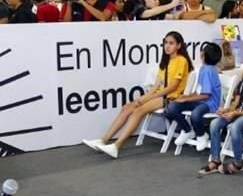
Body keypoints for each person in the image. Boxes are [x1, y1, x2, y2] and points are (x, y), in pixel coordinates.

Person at [82, 31, 193, 159]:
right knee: (127, 107)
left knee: (138, 111)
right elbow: (157, 85)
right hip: (158, 96)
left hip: (170, 98)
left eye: (171, 43)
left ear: (179, 46)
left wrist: (149, 98)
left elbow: (172, 87)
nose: (167, 46)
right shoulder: (166, 61)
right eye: (165, 43)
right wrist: (144, 97)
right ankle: (103, 140)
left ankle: (116, 146)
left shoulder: (181, 60)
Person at [199, 54, 243, 175]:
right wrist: (226, 110)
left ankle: (238, 163)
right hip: (238, 112)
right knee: (215, 124)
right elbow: (235, 103)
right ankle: (216, 160)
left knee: (235, 127)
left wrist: (235, 113)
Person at [171, 42, 222, 149]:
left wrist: (186, 99)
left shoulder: (208, 70)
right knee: (172, 108)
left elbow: (206, 95)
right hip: (199, 101)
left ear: (205, 55)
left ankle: (201, 135)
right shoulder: (203, 68)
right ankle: (187, 130)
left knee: (195, 115)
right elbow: (199, 90)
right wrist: (186, 96)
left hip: (209, 104)